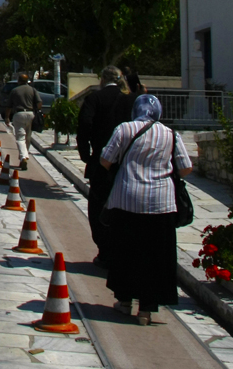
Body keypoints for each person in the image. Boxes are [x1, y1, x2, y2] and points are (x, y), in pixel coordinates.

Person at [99, 94, 192, 326]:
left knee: (126, 253)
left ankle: (124, 301)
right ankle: (147, 310)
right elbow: (186, 167)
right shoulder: (171, 134)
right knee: (155, 257)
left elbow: (105, 160)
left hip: (127, 200)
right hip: (161, 204)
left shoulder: (124, 129)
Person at [76, 66, 132, 265]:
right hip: (124, 164)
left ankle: (104, 250)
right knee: (122, 209)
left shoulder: (94, 99)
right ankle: (120, 250)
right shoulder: (128, 100)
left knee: (98, 207)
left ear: (102, 79)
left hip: (100, 162)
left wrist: (85, 154)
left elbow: (84, 125)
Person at [5, 73, 43, 171]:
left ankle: (23, 157)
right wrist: (36, 110)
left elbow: (9, 105)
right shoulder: (33, 90)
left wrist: (7, 117)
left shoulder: (15, 90)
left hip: (19, 114)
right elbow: (39, 103)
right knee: (28, 138)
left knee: (20, 138)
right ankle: (24, 157)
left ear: (19, 80)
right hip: (31, 114)